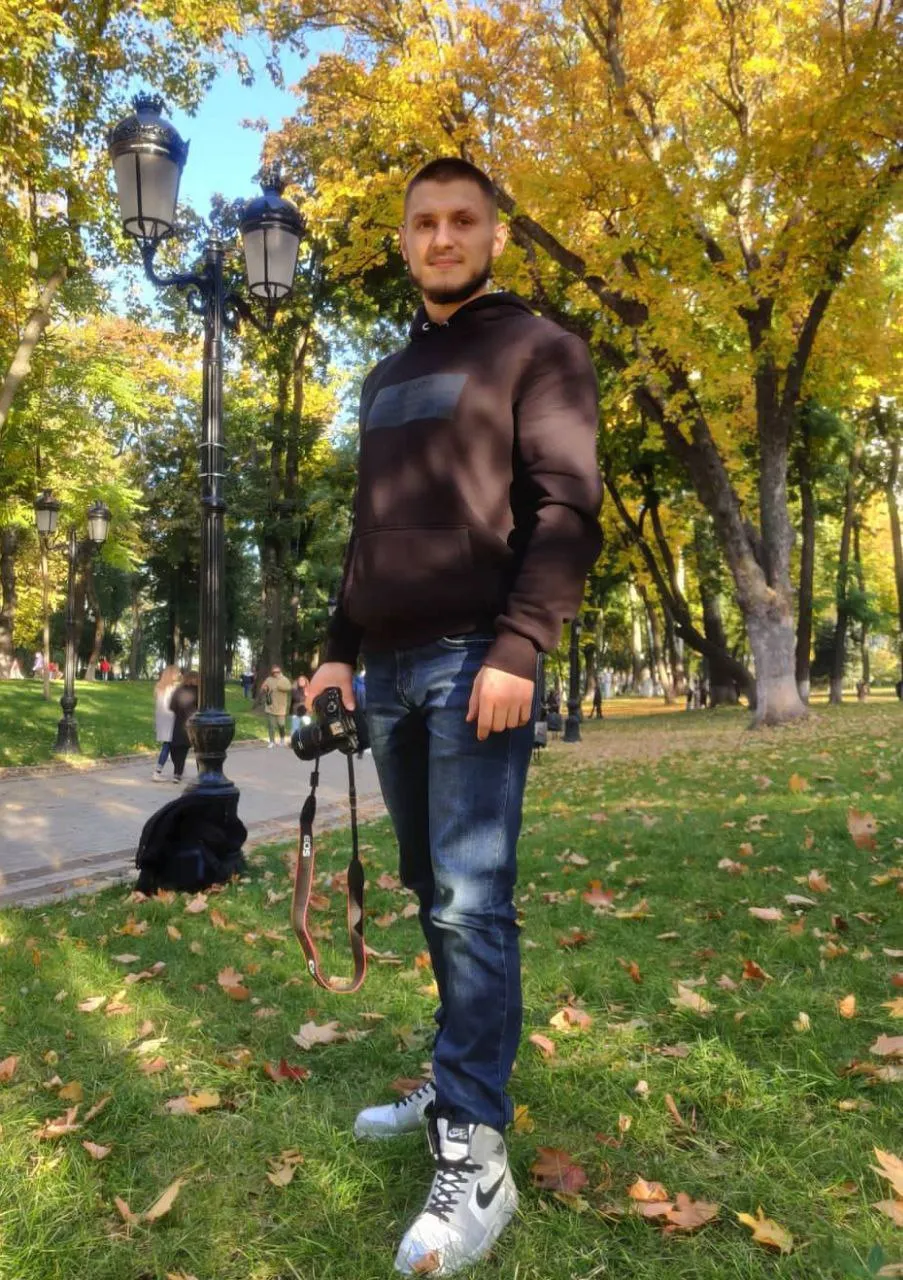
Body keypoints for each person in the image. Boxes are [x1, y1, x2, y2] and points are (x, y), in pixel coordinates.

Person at [306, 156, 602, 1276]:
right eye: (424, 222)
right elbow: (370, 526)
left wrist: (522, 643)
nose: (442, 237)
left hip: (478, 660)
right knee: (431, 886)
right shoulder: (386, 377)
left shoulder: (539, 348)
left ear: (493, 234)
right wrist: (336, 650)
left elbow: (566, 505)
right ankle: (454, 1075)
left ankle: (476, 1151)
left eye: (462, 220)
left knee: (474, 901)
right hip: (384, 672)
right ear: (404, 239)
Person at [151, 665, 181, 781]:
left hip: (162, 718)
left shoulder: (159, 687)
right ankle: (159, 771)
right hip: (170, 717)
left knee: (168, 745)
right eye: (176, 673)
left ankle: (176, 770)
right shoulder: (171, 688)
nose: (178, 675)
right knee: (168, 745)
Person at [168, 671, 199, 783]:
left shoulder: (179, 690)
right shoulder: (199, 691)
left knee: (178, 748)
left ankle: (177, 773)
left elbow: (171, 706)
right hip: (192, 722)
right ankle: (201, 773)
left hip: (180, 722)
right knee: (198, 749)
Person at [260, 664, 291, 748]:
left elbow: (288, 688)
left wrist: (280, 686)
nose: (276, 673)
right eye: (274, 672)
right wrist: (265, 688)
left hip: (281, 707)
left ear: (280, 671)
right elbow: (262, 688)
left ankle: (282, 740)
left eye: (277, 671)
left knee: (281, 725)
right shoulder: (269, 679)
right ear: (272, 672)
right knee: (271, 726)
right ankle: (272, 741)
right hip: (270, 706)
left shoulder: (284, 679)